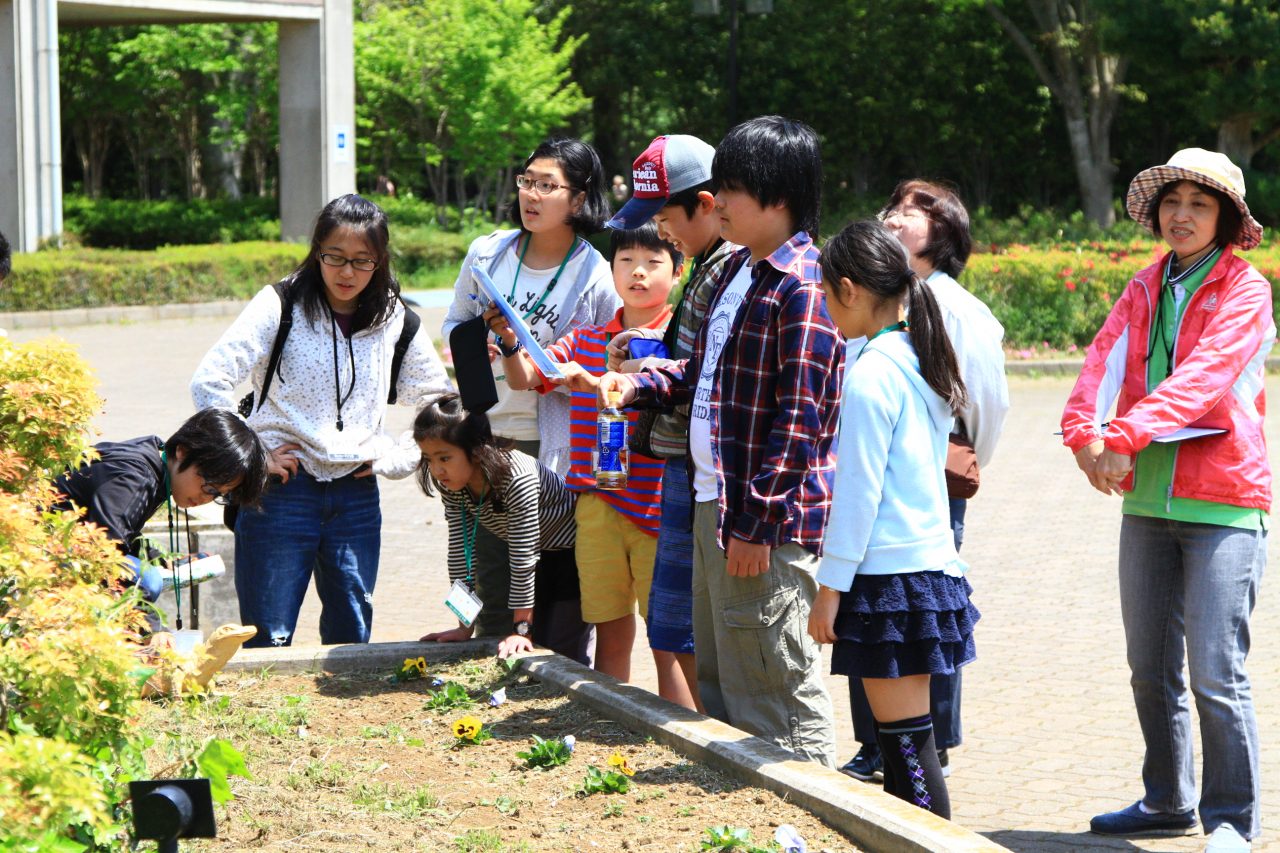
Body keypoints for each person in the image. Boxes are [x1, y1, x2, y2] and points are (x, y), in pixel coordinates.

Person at [594, 116, 843, 766]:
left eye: (731, 188)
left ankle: (803, 821)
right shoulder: (742, 274)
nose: (719, 201)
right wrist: (638, 385)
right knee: (725, 685)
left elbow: (801, 421)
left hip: (759, 526)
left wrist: (757, 525)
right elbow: (702, 374)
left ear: (777, 197)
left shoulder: (804, 285)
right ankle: (749, 819)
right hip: (716, 506)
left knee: (776, 691)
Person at [1061, 149, 1272, 852]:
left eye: (1199, 204)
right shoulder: (1145, 284)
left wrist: (1122, 433)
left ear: (1226, 219)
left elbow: (1206, 379)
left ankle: (1233, 822)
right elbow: (1102, 360)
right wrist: (1081, 433)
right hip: (1147, 502)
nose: (1181, 214)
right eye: (1172, 201)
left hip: (1225, 504)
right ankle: (1167, 799)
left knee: (1216, 670)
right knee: (1149, 667)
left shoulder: (1245, 291)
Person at [191, 194, 451, 648]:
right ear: (316, 252)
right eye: (334, 257)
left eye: (361, 261)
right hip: (279, 495)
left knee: (352, 633)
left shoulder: (393, 318)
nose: (346, 273)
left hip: (356, 496)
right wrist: (253, 457)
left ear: (380, 261)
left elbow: (437, 399)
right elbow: (209, 383)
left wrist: (396, 457)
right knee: (267, 635)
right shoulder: (281, 304)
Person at [807, 220, 978, 819]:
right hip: (927, 572)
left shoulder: (873, 374)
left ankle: (930, 841)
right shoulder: (917, 356)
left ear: (849, 290)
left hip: (890, 582)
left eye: (826, 295)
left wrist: (829, 592)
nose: (826, 309)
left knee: (905, 749)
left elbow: (857, 496)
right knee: (911, 743)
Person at [840, 180, 1010, 783]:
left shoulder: (959, 312)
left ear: (945, 233)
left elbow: (986, 411)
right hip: (888, 507)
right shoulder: (881, 323)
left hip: (920, 506)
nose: (894, 218)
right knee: (888, 633)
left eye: (913, 214)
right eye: (890, 209)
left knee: (917, 632)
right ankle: (886, 748)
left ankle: (924, 748)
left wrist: (951, 464)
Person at [441, 137, 619, 642]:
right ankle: (477, 651)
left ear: (579, 200)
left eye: (547, 185)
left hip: (548, 443)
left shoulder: (594, 274)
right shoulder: (489, 251)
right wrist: (485, 342)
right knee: (484, 559)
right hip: (485, 429)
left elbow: (602, 365)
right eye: (527, 181)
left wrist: (531, 356)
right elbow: (454, 322)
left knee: (541, 570)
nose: (531, 195)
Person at [497, 222, 680, 683]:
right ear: (611, 270)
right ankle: (614, 725)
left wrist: (600, 383)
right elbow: (526, 379)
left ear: (678, 272)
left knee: (670, 643)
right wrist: (509, 339)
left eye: (653, 262)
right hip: (595, 505)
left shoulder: (680, 340)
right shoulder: (585, 340)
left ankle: (683, 742)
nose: (638, 273)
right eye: (626, 261)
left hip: (659, 508)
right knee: (610, 634)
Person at [603, 133, 741, 712]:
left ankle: (712, 729)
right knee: (673, 620)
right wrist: (648, 346)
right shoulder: (709, 264)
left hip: (701, 467)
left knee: (686, 623)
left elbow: (707, 370)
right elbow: (691, 351)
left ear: (706, 205)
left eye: (665, 218)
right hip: (680, 463)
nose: (661, 232)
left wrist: (643, 375)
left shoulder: (730, 268)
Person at [415, 393, 590, 664]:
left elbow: (523, 557)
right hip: (538, 555)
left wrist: (521, 630)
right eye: (429, 459)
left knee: (560, 651)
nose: (437, 470)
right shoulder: (453, 484)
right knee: (532, 646)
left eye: (445, 458)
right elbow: (460, 554)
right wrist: (464, 627)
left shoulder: (516, 478)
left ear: (475, 450)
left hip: (573, 553)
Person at [51, 408, 269, 603]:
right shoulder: (134, 477)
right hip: (44, 548)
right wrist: (152, 629)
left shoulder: (154, 466)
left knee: (147, 572)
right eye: (209, 487)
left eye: (220, 495)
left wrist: (157, 557)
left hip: (65, 545)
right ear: (182, 451)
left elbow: (117, 531)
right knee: (147, 580)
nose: (207, 499)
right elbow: (105, 555)